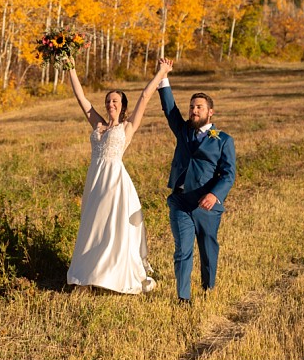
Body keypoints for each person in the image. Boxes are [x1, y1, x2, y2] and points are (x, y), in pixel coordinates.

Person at [65, 58, 173, 294]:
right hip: (95, 180)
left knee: (110, 228)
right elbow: (82, 99)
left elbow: (145, 96)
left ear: (123, 105)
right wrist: (71, 68)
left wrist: (162, 72)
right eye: (107, 101)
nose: (110, 104)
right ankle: (85, 278)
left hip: (115, 182)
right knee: (91, 227)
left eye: (115, 101)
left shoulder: (127, 126)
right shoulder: (99, 125)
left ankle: (110, 277)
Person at [157, 60, 236, 305]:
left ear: (210, 112)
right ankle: (183, 296)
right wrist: (163, 77)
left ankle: (208, 287)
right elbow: (170, 110)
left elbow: (228, 174)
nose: (194, 110)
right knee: (183, 250)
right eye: (192, 107)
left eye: (199, 107)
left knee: (208, 248)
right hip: (181, 201)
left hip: (206, 203)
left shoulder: (223, 140)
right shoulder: (183, 131)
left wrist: (215, 195)